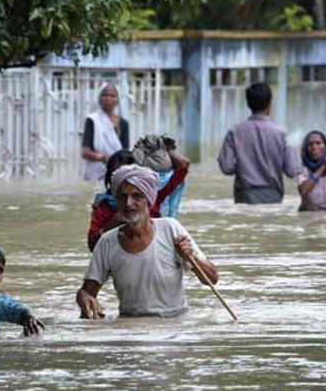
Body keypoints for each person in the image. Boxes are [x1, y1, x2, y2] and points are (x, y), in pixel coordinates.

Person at [77, 165, 219, 318]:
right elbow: (86, 291)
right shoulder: (107, 241)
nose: (129, 203)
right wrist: (85, 299)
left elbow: (212, 279)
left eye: (136, 196)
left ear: (149, 201)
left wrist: (191, 256)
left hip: (175, 324)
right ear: (116, 201)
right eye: (123, 197)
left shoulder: (170, 229)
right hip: (130, 326)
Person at [87, 147, 190, 251]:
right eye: (120, 177)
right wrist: (115, 222)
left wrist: (161, 146)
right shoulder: (103, 205)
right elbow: (93, 246)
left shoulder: (153, 195)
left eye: (136, 196)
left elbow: (183, 165)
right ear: (112, 182)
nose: (129, 203)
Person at [218, 82, 298, 204]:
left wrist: (243, 166)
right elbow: (291, 170)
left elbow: (226, 167)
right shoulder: (281, 133)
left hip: (244, 194)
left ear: (248, 104)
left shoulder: (234, 132)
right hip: (273, 193)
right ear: (269, 104)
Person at [82, 83, 130, 182]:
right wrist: (101, 157)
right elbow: (85, 152)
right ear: (99, 99)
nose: (108, 98)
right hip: (95, 172)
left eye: (112, 95)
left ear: (117, 100)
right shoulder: (92, 120)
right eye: (105, 95)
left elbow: (126, 153)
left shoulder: (123, 123)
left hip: (117, 173)